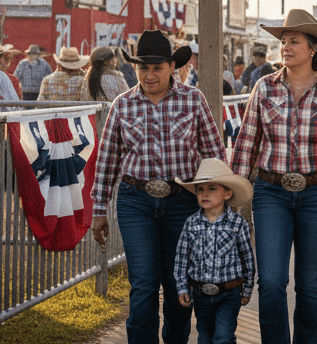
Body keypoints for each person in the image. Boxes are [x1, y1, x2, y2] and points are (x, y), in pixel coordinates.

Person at [229, 9, 317, 344]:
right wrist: (229, 197)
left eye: (294, 41)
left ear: (313, 49)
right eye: (283, 41)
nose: (285, 47)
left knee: (309, 285)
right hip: (270, 193)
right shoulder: (264, 88)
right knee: (272, 282)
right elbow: (246, 145)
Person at [90, 30, 225, 344]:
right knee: (144, 284)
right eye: (142, 68)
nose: (149, 75)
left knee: (179, 285)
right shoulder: (122, 106)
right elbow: (107, 161)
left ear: (171, 67)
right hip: (136, 200)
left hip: (183, 202)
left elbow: (214, 154)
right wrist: (99, 212)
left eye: (157, 68)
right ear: (135, 68)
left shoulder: (194, 100)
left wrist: (216, 204)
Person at [173, 159, 255, 344]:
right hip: (201, 294)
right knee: (205, 338)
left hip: (229, 294)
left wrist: (247, 288)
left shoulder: (237, 224)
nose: (204, 194)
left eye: (212, 189)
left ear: (227, 193)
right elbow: (181, 259)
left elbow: (247, 258)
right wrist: (182, 287)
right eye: (200, 189)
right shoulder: (191, 223)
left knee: (223, 337)